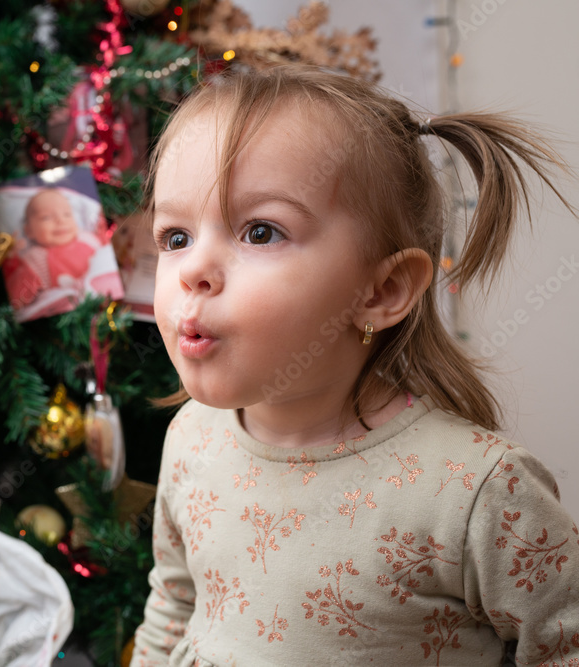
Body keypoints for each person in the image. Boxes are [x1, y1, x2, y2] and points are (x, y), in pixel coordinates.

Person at [133, 65, 579, 666]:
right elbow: (173, 606)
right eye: (176, 237)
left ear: (383, 289)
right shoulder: (189, 439)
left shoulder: (476, 492)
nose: (192, 271)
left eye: (260, 231)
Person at [4, 187, 122, 318]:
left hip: (106, 297)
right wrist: (12, 260)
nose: (60, 221)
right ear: (29, 231)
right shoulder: (36, 258)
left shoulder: (88, 238)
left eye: (67, 214)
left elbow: (105, 254)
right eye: (46, 217)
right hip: (73, 313)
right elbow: (18, 297)